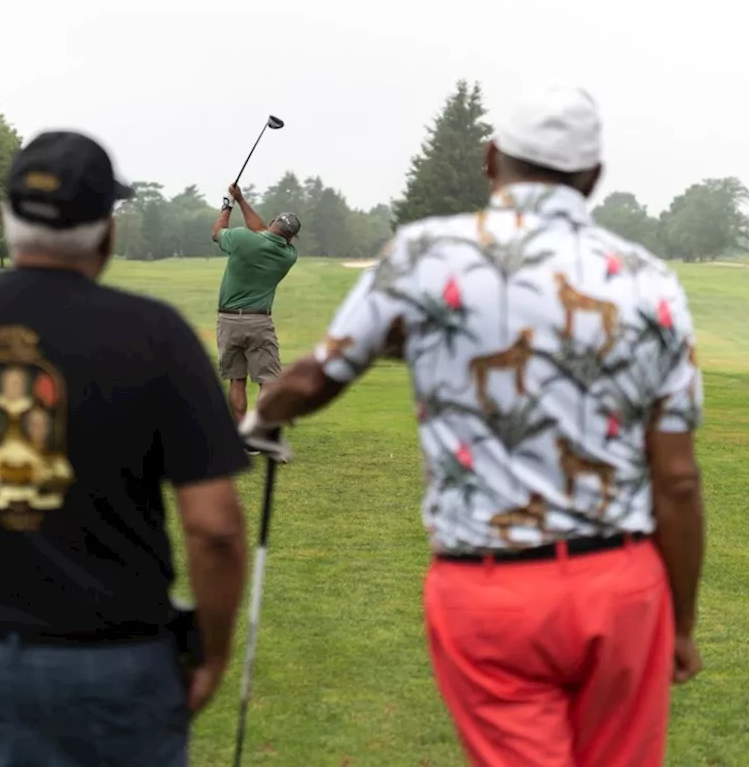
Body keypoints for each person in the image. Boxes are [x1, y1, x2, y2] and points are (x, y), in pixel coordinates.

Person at [239, 86, 706, 767]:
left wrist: (261, 416)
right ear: (594, 177)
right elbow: (680, 479)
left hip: (491, 594)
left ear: (492, 159)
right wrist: (682, 622)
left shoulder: (428, 253)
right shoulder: (650, 280)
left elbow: (316, 376)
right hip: (622, 588)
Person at [0, 130, 251, 767]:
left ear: (7, 221)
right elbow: (216, 529)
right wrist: (215, 651)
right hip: (118, 661)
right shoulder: (155, 335)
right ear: (106, 231)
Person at [210, 182, 300, 431]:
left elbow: (217, 232)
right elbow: (263, 232)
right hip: (259, 322)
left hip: (228, 321)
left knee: (236, 381)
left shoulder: (240, 238)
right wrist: (241, 200)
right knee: (268, 382)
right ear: (290, 238)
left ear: (272, 224)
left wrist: (228, 206)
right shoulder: (288, 255)